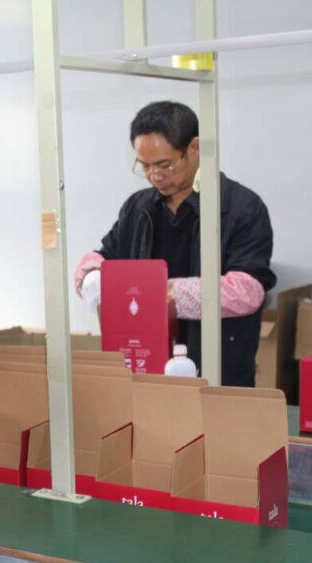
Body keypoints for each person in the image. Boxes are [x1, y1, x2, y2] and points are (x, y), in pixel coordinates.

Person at [75, 101, 275, 387]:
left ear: (194, 148)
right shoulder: (138, 208)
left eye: (164, 164)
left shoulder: (241, 207)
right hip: (147, 369)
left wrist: (159, 293)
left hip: (218, 373)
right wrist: (90, 274)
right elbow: (104, 255)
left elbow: (247, 291)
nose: (155, 175)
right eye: (144, 166)